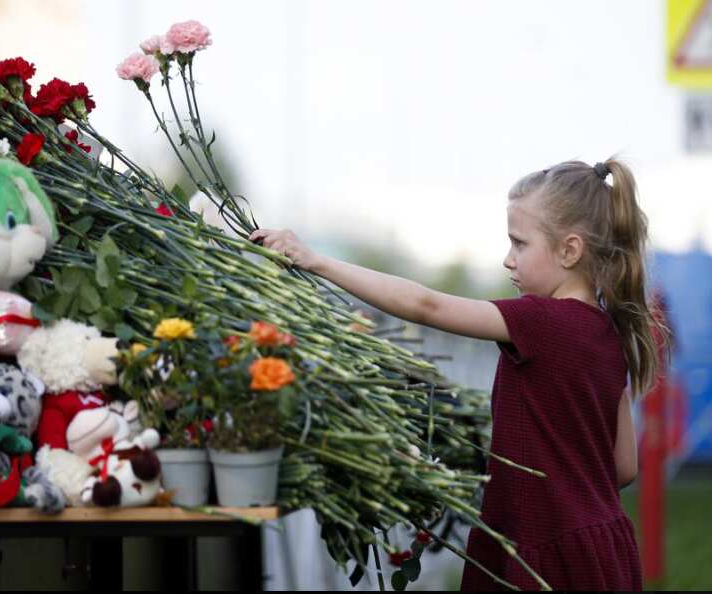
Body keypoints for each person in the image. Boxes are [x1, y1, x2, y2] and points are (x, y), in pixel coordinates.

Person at [250, 158, 668, 591]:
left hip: (543, 551)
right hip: (603, 546)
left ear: (570, 250)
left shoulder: (540, 321)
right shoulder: (608, 332)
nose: (509, 260)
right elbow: (622, 466)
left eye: (519, 244)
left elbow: (425, 306)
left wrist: (316, 261)